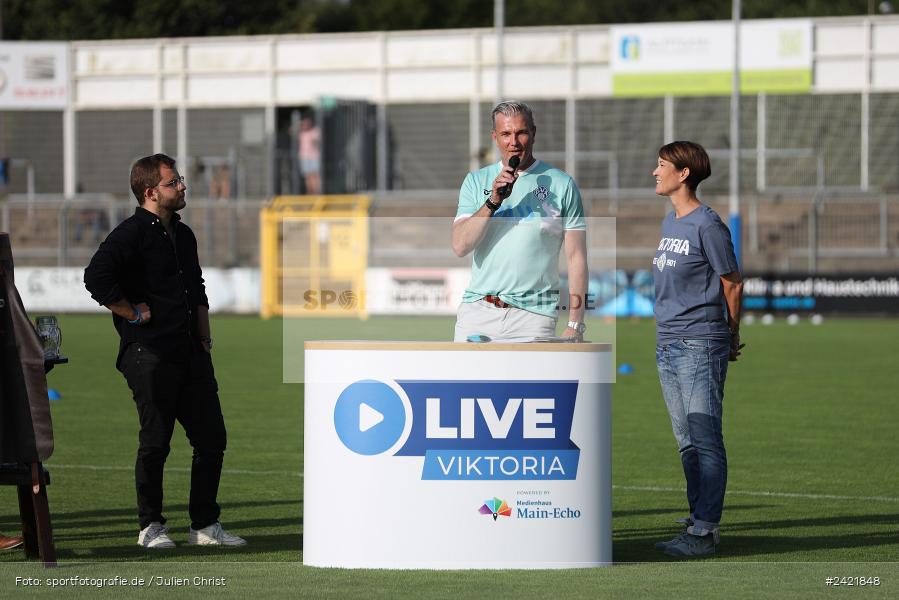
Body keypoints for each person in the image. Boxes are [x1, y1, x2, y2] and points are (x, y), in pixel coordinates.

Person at [84, 154, 245, 549]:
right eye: (175, 182)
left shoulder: (184, 234)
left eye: (181, 180)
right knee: (156, 440)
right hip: (149, 353)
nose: (183, 186)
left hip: (191, 352)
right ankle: (151, 526)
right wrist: (132, 313)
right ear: (151, 191)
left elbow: (197, 289)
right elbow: (95, 277)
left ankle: (205, 525)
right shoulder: (130, 234)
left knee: (212, 438)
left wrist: (204, 340)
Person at [650, 141, 744, 557]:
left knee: (705, 438)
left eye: (662, 165)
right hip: (667, 343)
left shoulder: (707, 224)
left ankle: (705, 531)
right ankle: (696, 520)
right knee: (686, 440)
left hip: (699, 343)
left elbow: (732, 282)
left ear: (683, 174)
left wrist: (731, 335)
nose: (655, 172)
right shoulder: (671, 223)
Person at [451, 101, 587, 342]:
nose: (513, 142)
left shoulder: (562, 184)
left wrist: (575, 323)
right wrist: (493, 201)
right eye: (505, 134)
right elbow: (460, 246)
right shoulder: (475, 181)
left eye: (521, 132)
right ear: (495, 137)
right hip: (477, 312)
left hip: (534, 317)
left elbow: (576, 257)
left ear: (533, 133)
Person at [298, 116, 321, 195]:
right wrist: (299, 126)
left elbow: (316, 141)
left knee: (314, 175)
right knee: (307, 175)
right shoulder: (301, 133)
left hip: (314, 156)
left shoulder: (315, 131)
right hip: (304, 156)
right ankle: (310, 191)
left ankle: (316, 191)